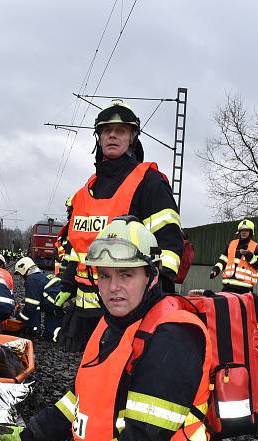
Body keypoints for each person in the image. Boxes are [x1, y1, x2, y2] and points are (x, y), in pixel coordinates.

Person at [0, 217, 214, 441]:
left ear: (152, 276)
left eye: (126, 275)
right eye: (105, 276)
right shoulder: (112, 324)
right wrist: (26, 433)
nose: (113, 288)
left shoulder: (172, 336)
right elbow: (80, 401)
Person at [56, 100, 184, 353]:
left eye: (121, 130)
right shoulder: (84, 193)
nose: (112, 135)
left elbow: (169, 249)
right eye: (106, 130)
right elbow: (76, 249)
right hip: (86, 313)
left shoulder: (149, 183)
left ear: (132, 138)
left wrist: (152, 299)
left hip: (129, 316)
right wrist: (68, 285)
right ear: (99, 137)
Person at [210, 219, 258, 294]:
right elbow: (223, 260)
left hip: (244, 289)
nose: (244, 232)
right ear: (239, 232)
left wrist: (249, 255)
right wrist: (216, 269)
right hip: (228, 287)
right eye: (242, 230)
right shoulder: (231, 244)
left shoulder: (256, 246)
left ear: (251, 232)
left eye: (246, 230)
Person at [14, 257, 62, 341]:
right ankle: (51, 335)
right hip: (60, 305)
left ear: (24, 269)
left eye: (20, 274)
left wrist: (19, 319)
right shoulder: (43, 275)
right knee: (50, 335)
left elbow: (30, 306)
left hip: (54, 305)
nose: (21, 277)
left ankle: (34, 330)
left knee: (34, 305)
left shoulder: (32, 279)